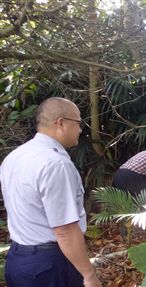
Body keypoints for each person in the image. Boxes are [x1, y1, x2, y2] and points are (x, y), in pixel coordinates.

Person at [0, 97, 100, 286]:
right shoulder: (55, 164)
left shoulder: (15, 157)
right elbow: (64, 230)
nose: (80, 129)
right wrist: (89, 274)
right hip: (49, 266)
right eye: (78, 123)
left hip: (17, 260)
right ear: (61, 122)